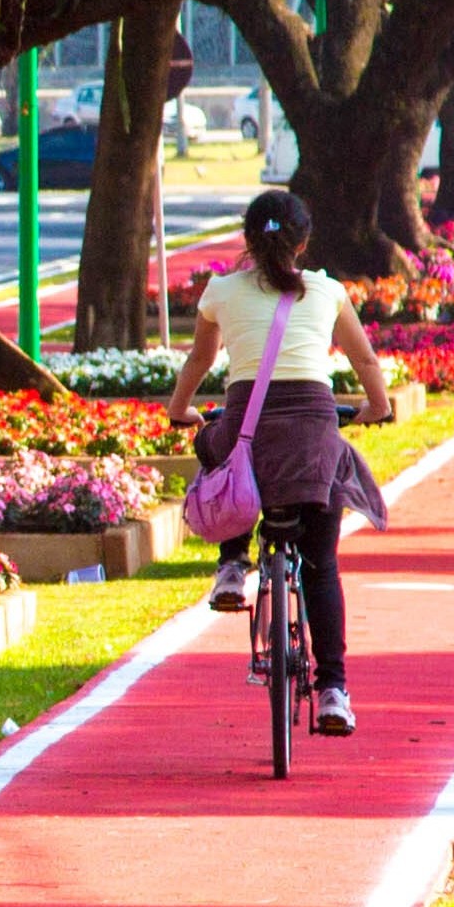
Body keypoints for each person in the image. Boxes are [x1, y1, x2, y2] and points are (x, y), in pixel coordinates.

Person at [167, 187, 399, 737]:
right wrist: (378, 406)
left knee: (219, 452)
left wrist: (181, 411)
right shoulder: (326, 290)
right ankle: (333, 692)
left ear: (248, 239)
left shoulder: (221, 291)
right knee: (321, 565)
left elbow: (200, 358)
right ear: (305, 240)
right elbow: (363, 356)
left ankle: (231, 563)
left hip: (250, 426)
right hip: (315, 431)